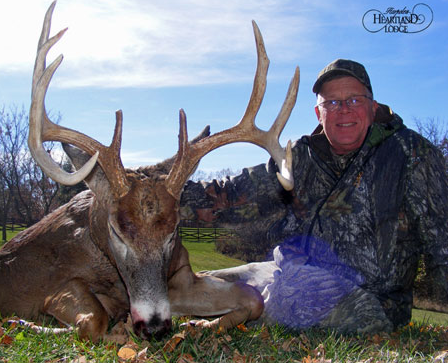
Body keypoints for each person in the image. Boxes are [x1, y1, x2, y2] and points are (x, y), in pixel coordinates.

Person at [180, 59, 448, 333]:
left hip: (370, 303)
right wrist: (160, 194)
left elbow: (443, 241)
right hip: (291, 275)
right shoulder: (301, 157)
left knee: (275, 298)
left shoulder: (411, 154)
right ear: (318, 114)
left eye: (354, 100)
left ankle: (215, 322)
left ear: (373, 106)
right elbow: (231, 193)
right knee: (192, 283)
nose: (343, 110)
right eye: (331, 103)